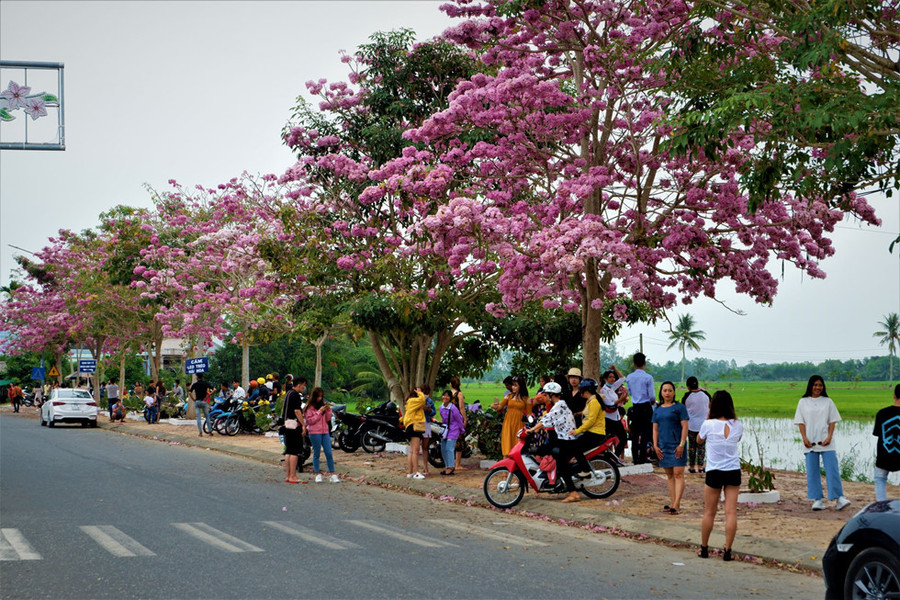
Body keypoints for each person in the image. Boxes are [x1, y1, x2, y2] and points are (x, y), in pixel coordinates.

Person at [697, 390, 743, 561]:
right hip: (733, 470)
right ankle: (728, 551)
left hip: (714, 470)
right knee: (731, 512)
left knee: (709, 512)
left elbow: (699, 440)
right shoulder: (738, 425)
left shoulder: (708, 424)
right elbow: (737, 439)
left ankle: (704, 548)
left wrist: (708, 418)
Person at [794, 375, 851, 511]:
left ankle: (839, 498)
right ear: (810, 386)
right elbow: (800, 422)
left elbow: (832, 421)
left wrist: (829, 437)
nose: (818, 387)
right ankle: (817, 499)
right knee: (812, 471)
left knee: (832, 469)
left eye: (820, 385)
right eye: (815, 385)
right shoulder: (803, 402)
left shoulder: (828, 402)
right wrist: (804, 438)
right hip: (810, 442)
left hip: (826, 442)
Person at [525, 381, 582, 503]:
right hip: (564, 438)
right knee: (544, 450)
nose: (544, 397)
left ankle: (573, 493)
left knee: (560, 463)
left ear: (552, 395)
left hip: (567, 440)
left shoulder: (559, 406)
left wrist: (533, 429)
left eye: (546, 395)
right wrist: (535, 428)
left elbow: (547, 419)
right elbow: (547, 420)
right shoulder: (559, 404)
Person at [652, 381, 689, 515]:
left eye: (670, 390)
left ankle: (677, 504)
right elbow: (655, 429)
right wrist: (655, 445)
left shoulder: (679, 408)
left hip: (677, 445)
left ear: (674, 392)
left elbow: (685, 426)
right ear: (661, 392)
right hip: (663, 446)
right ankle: (673, 502)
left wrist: (681, 444)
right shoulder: (657, 409)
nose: (667, 393)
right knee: (669, 475)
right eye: (665, 390)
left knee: (678, 473)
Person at [570, 378, 606, 473]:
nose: (581, 393)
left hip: (595, 433)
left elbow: (591, 421)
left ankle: (586, 470)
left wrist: (577, 431)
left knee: (575, 447)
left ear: (587, 391)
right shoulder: (591, 401)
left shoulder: (594, 402)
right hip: (591, 432)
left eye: (582, 390)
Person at [626, 353, 655, 465]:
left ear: (634, 364)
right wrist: (652, 403)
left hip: (635, 407)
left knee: (635, 433)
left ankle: (635, 458)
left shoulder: (629, 377)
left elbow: (630, 392)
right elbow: (652, 396)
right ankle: (643, 457)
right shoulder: (648, 377)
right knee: (645, 434)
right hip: (646, 407)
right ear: (644, 363)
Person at [305, 387, 339, 483]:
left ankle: (332, 473)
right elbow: (310, 421)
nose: (320, 398)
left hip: (325, 432)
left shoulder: (323, 405)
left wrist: (328, 411)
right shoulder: (309, 407)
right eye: (318, 396)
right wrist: (319, 411)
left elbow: (327, 419)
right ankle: (317, 474)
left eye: (321, 396)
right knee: (317, 453)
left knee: (329, 452)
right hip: (314, 432)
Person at [492, 376, 532, 457]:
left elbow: (529, 415)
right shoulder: (508, 396)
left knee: (517, 445)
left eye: (515, 385)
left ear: (521, 386)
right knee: (507, 443)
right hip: (508, 423)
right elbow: (500, 407)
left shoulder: (526, 399)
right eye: (513, 385)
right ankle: (506, 463)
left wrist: (530, 423)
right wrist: (495, 406)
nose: (513, 387)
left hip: (519, 424)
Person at [873, 384, 900, 502]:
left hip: (884, 456)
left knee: (879, 479)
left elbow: (878, 434)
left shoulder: (882, 413)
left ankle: (881, 505)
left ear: (894, 395)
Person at [599, 366, 628, 463]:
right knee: (606, 441)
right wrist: (621, 399)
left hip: (616, 418)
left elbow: (622, 378)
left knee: (623, 439)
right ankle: (605, 459)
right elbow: (610, 404)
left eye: (613, 377)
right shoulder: (603, 391)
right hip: (608, 419)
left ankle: (615, 457)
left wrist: (615, 369)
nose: (612, 379)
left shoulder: (612, 387)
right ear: (605, 379)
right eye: (610, 377)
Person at [682, 376, 711, 474]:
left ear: (688, 386)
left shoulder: (687, 396)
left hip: (691, 425)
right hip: (703, 426)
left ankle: (692, 467)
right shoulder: (706, 394)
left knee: (692, 447)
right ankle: (700, 467)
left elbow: (683, 410)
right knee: (701, 447)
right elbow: (710, 405)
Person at [282, 378, 307, 484]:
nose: (304, 388)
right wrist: (303, 424)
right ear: (299, 384)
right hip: (294, 425)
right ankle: (293, 476)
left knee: (288, 451)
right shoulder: (295, 395)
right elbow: (297, 411)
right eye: (303, 385)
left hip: (287, 424)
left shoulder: (288, 393)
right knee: (295, 452)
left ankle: (288, 475)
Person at [439, 390, 465, 476]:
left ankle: (450, 467)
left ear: (450, 398)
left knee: (449, 448)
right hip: (445, 430)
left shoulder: (453, 408)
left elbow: (459, 419)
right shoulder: (441, 407)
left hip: (454, 429)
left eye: (447, 396)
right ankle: (447, 466)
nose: (445, 397)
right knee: (443, 448)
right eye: (444, 395)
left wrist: (461, 430)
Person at [403, 388, 427, 479]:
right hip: (414, 426)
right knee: (416, 451)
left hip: (411, 427)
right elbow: (422, 400)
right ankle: (416, 472)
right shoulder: (413, 401)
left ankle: (410, 472)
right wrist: (420, 393)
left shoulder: (410, 402)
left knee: (412, 451)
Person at [450, 376, 467, 470]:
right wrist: (465, 419)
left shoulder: (448, 394)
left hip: (449, 419)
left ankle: (450, 463)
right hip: (457, 419)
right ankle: (458, 464)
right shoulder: (459, 394)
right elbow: (461, 408)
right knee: (459, 441)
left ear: (450, 384)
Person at [421, 384, 436, 475]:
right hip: (418, 423)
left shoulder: (429, 401)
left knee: (425, 447)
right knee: (416, 448)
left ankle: (425, 468)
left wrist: (429, 410)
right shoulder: (416, 400)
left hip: (426, 423)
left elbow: (434, 412)